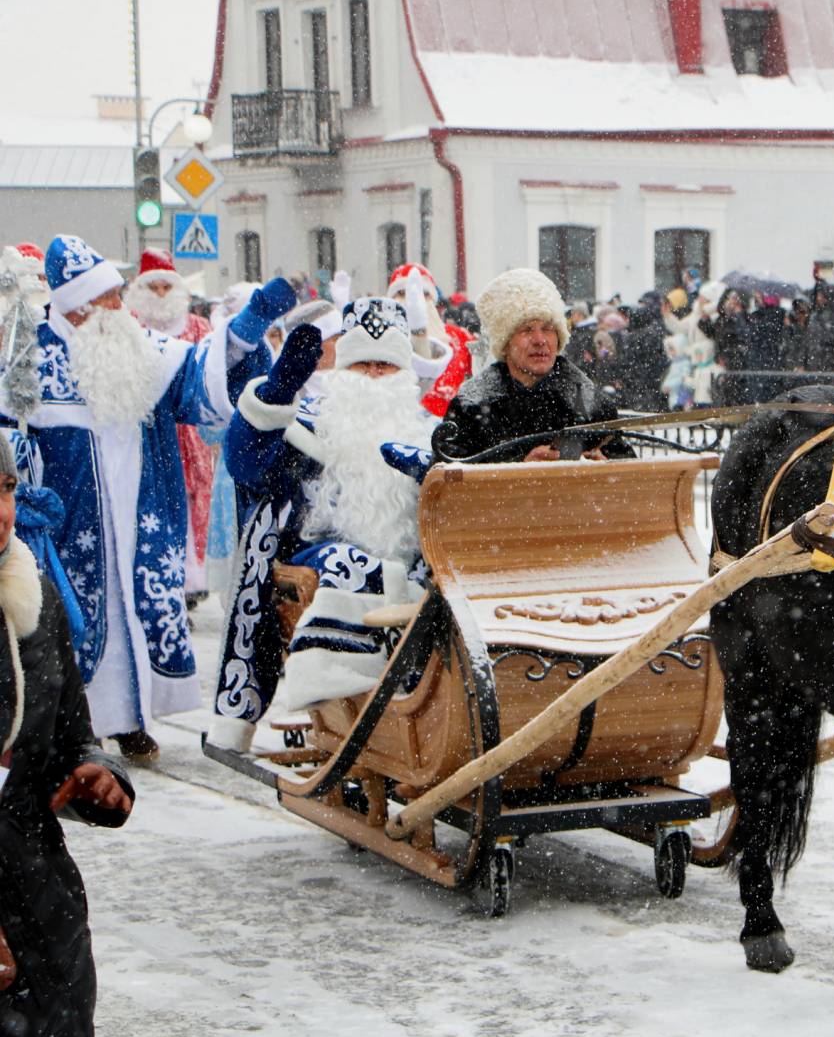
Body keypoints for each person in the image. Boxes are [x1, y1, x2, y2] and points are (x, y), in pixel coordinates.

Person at [0, 236, 289, 763]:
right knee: (71, 622)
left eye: (117, 295)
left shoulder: (135, 345)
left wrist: (244, 332)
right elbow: (6, 430)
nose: (119, 308)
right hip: (70, 524)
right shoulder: (29, 356)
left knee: (138, 611)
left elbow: (195, 372)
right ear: (79, 305)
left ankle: (131, 720)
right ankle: (73, 730)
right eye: (108, 298)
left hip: (139, 515)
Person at [209, 298, 439, 750]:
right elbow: (247, 466)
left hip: (411, 557)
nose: (373, 376)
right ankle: (346, 703)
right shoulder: (310, 425)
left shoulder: (428, 431)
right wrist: (277, 393)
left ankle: (429, 707)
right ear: (342, 370)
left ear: (404, 373)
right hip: (323, 549)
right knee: (348, 566)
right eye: (362, 365)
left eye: (385, 366)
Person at [0, 440, 136, 1037]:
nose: (1, 510)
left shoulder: (32, 596)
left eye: (5, 488)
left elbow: (69, 734)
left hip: (36, 890)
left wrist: (96, 777)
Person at [432, 267, 632, 462]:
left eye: (548, 329)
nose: (540, 340)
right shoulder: (471, 405)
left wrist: (606, 471)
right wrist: (520, 472)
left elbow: (637, 479)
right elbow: (444, 485)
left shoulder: (589, 399)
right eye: (526, 330)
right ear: (506, 343)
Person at [125, 248, 218, 602]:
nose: (161, 295)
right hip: (153, 431)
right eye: (154, 288)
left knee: (196, 501)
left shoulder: (199, 327)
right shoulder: (132, 327)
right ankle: (164, 573)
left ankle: (193, 579)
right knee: (157, 499)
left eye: (167, 288)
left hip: (194, 435)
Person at [387, 263, 476, 416]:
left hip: (452, 425)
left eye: (424, 294)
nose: (414, 301)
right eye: (403, 293)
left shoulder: (459, 338)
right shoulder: (384, 342)